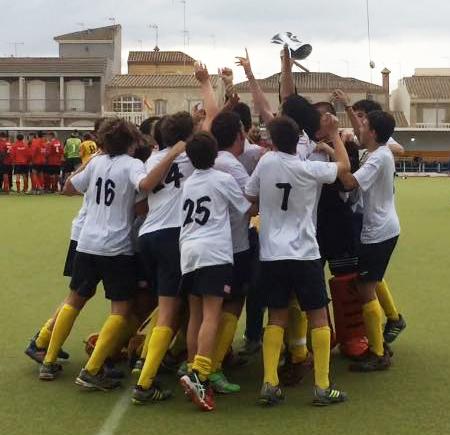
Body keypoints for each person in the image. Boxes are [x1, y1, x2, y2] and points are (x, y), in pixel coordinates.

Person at [38, 118, 186, 388]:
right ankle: (93, 369)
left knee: (75, 299)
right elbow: (143, 194)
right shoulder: (133, 165)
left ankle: (48, 360)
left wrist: (90, 162)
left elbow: (68, 187)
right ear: (131, 143)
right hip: (116, 246)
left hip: (86, 242)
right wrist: (173, 154)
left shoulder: (96, 163)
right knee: (122, 307)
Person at [245, 115, 349, 406]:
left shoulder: (266, 163)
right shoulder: (309, 169)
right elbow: (344, 168)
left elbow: (249, 194)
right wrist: (334, 135)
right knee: (317, 316)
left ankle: (269, 383)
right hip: (305, 252)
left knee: (276, 316)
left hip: (272, 253)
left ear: (273, 141)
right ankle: (322, 386)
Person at [179, 132, 252, 411]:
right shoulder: (223, 179)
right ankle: (200, 374)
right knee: (212, 315)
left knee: (195, 315)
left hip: (188, 251)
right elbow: (245, 208)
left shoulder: (187, 184)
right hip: (214, 252)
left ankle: (191, 367)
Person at [131, 112, 195, 404]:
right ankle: (145, 382)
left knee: (167, 304)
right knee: (170, 308)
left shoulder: (151, 159)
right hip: (172, 236)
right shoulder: (191, 156)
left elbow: (144, 196)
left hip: (149, 235)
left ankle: (145, 360)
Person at [338, 110, 404, 371]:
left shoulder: (377, 158)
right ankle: (381, 340)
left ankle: (377, 353)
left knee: (366, 289)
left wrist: (335, 149)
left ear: (374, 132)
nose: (359, 129)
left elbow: (349, 182)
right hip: (384, 228)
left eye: (363, 125)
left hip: (378, 232)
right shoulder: (382, 152)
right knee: (369, 283)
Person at [208, 111, 251, 393]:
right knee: (233, 302)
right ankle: (214, 365)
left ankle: (199, 358)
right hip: (234, 245)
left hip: (204, 245)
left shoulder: (207, 162)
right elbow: (251, 202)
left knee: (206, 307)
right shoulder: (234, 167)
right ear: (240, 135)